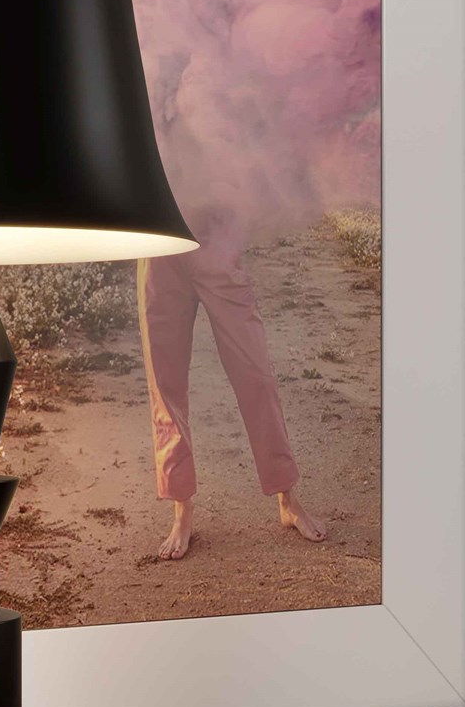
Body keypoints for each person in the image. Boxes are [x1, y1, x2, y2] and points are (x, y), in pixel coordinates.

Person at [137, 234, 326, 561]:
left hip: (215, 238)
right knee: (165, 383)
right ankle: (182, 510)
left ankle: (288, 500)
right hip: (159, 244)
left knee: (256, 375)